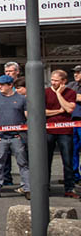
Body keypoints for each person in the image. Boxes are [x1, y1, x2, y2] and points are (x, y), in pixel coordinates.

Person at [0, 74, 30, 199]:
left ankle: (28, 188)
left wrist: (24, 131)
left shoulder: (22, 99)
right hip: (0, 137)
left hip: (17, 136)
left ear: (10, 85)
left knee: (23, 163)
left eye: (2, 85)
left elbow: (28, 116)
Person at [44, 69, 76, 198]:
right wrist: (58, 111)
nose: (53, 83)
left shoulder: (70, 92)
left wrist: (58, 94)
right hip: (48, 130)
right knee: (46, 160)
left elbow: (69, 109)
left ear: (64, 81)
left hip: (65, 131)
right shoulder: (45, 92)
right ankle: (45, 187)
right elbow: (43, 111)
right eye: (52, 80)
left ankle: (69, 188)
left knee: (67, 161)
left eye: (56, 81)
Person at [71, 65, 81, 186]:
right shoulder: (72, 85)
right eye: (75, 72)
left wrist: (72, 97)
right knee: (72, 150)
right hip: (72, 121)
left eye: (78, 72)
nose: (76, 74)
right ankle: (74, 176)